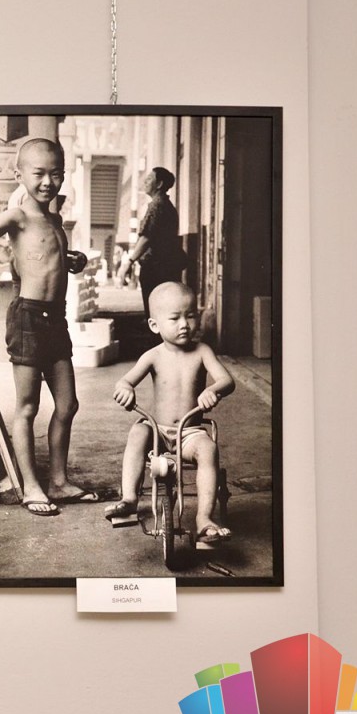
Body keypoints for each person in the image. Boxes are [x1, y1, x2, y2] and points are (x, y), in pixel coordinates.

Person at [0, 137, 96, 516]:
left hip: (56, 318)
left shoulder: (53, 220)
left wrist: (71, 259)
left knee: (67, 404)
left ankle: (59, 481)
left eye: (56, 174)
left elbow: (42, 256)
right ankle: (31, 486)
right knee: (27, 406)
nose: (48, 182)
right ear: (19, 174)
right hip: (28, 317)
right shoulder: (17, 215)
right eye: (39, 174)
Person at [106, 282, 236, 541]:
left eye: (191, 315)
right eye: (175, 318)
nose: (184, 324)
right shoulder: (153, 355)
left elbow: (227, 380)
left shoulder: (202, 351)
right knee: (138, 432)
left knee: (208, 449)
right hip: (158, 431)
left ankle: (204, 519)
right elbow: (125, 381)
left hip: (190, 433)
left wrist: (214, 390)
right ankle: (129, 499)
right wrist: (125, 389)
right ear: (155, 325)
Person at [127, 166, 185, 318]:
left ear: (159, 184)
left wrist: (129, 261)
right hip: (166, 266)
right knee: (166, 309)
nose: (145, 182)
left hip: (155, 268)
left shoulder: (157, 205)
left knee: (154, 309)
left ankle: (154, 332)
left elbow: (146, 237)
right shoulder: (166, 205)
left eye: (149, 179)